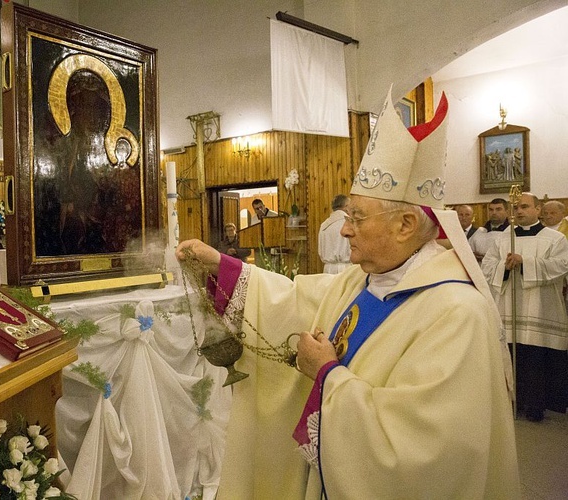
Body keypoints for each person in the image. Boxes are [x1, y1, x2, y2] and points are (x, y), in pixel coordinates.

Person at [176, 88, 518, 499]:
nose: (344, 229)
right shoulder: (365, 279)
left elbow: (425, 454)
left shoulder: (457, 313)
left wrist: (327, 375)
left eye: (356, 217)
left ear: (406, 225)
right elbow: (293, 301)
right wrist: (222, 265)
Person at [482, 192, 568, 422]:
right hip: (508, 307)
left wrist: (526, 263)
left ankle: (535, 405)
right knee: (509, 355)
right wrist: (505, 266)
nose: (519, 211)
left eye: (524, 207)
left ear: (538, 210)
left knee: (535, 358)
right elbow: (487, 266)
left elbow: (562, 265)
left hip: (539, 308)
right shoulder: (502, 238)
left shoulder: (555, 238)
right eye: (516, 208)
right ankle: (512, 401)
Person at [318, 194, 351, 274]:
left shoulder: (324, 225)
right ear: (346, 207)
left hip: (328, 269)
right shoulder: (349, 223)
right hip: (346, 268)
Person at [469, 197, 510, 262]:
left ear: (507, 212)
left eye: (498, 209)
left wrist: (487, 258)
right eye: (491, 209)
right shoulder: (479, 231)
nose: (494, 212)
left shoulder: (511, 232)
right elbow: (469, 251)